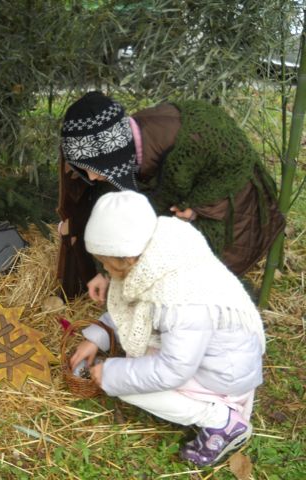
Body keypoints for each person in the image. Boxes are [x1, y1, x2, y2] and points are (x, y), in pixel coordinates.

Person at [69, 191, 265, 467]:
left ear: (128, 259)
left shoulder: (180, 299)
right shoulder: (162, 247)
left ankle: (223, 420)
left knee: (127, 386)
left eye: (106, 262)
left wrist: (111, 373)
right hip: (213, 351)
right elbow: (137, 304)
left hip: (225, 373)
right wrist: (99, 335)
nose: (104, 269)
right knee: (133, 367)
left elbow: (174, 369)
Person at [57, 91, 285, 300]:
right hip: (188, 191)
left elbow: (239, 160)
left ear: (112, 156)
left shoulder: (193, 137)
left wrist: (196, 204)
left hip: (228, 191)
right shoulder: (126, 155)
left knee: (192, 270)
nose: (91, 177)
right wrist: (100, 272)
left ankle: (229, 301)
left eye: (93, 167)